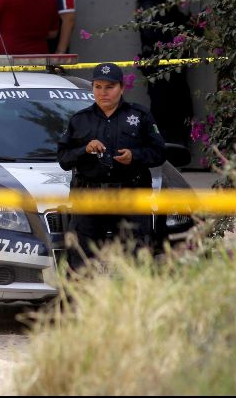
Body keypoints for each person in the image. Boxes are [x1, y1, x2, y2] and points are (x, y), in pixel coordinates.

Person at [57, 63, 166, 269]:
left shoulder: (139, 116)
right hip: (90, 198)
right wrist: (85, 150)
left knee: (136, 258)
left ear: (122, 88)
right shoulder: (80, 120)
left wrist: (134, 155)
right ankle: (83, 301)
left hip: (130, 197)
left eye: (109, 87)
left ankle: (134, 301)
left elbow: (159, 153)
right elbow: (64, 158)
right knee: (82, 260)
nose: (103, 92)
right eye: (98, 87)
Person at [136, 0, 194, 147]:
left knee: (177, 108)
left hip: (170, 67)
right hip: (161, 67)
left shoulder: (165, 3)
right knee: (166, 110)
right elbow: (153, 33)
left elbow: (177, 24)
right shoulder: (151, 4)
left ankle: (174, 149)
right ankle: (167, 151)